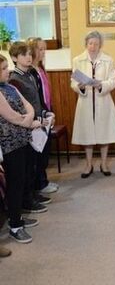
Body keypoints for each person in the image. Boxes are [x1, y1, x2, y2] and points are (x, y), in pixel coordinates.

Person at [0, 53, 41, 243]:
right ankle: (15, 225)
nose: (7, 71)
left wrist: (29, 118)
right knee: (15, 184)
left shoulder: (9, 88)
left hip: (22, 139)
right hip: (9, 144)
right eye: (2, 69)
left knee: (23, 178)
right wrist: (29, 122)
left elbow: (27, 106)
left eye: (6, 67)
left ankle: (19, 217)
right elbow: (11, 116)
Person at [71, 31, 115, 178]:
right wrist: (80, 86)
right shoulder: (78, 60)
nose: (93, 46)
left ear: (100, 45)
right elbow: (73, 82)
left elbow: (113, 81)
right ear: (86, 44)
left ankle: (104, 163)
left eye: (96, 43)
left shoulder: (108, 60)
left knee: (104, 132)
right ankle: (88, 164)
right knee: (87, 133)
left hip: (102, 100)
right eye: (90, 43)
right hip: (86, 101)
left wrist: (101, 84)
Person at [9, 41, 48, 214]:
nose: (29, 57)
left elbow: (37, 99)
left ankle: (33, 194)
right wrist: (32, 121)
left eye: (29, 54)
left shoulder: (31, 74)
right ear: (15, 58)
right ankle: (27, 200)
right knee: (27, 167)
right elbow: (20, 107)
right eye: (24, 55)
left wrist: (45, 114)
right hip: (27, 126)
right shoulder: (15, 80)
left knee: (34, 163)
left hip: (38, 122)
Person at [27, 37, 58, 196]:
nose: (43, 52)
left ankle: (43, 180)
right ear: (32, 51)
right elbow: (35, 96)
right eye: (40, 49)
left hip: (46, 111)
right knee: (39, 152)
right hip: (38, 115)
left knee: (45, 150)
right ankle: (40, 183)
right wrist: (43, 113)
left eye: (44, 48)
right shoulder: (31, 70)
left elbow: (46, 93)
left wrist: (50, 110)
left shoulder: (41, 68)